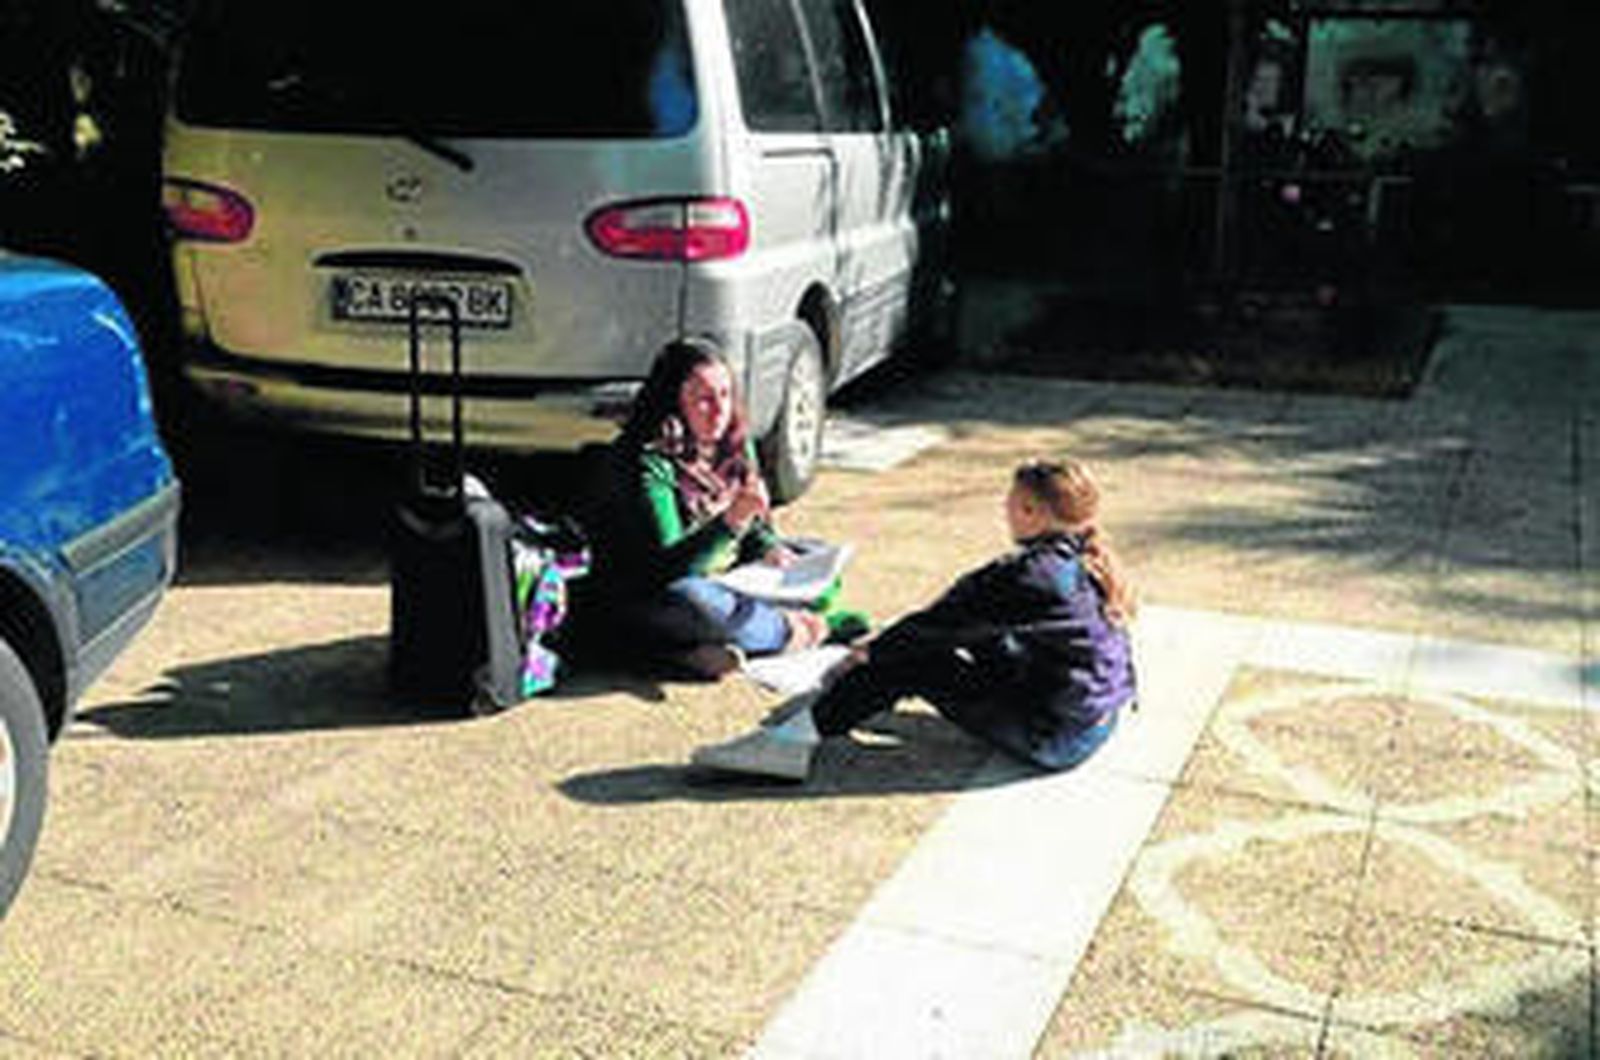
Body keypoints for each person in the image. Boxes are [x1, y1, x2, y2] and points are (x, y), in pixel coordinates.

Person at [690, 458, 1138, 781]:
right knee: (957, 633)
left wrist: (867, 653)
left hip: (1057, 736)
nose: (1005, 509)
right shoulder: (1082, 555)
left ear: (1033, 513)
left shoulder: (1033, 576)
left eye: (1012, 501)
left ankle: (788, 744)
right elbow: (961, 612)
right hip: (1094, 718)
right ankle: (838, 706)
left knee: (913, 659)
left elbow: (939, 624)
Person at [575, 337, 864, 678]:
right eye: (703, 400)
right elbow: (669, 569)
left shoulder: (733, 441)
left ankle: (692, 653)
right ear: (674, 402)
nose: (719, 411)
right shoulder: (649, 461)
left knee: (814, 551)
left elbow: (757, 530)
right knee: (696, 603)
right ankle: (799, 631)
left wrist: (769, 547)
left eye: (725, 395)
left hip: (731, 579)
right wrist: (729, 521)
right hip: (656, 591)